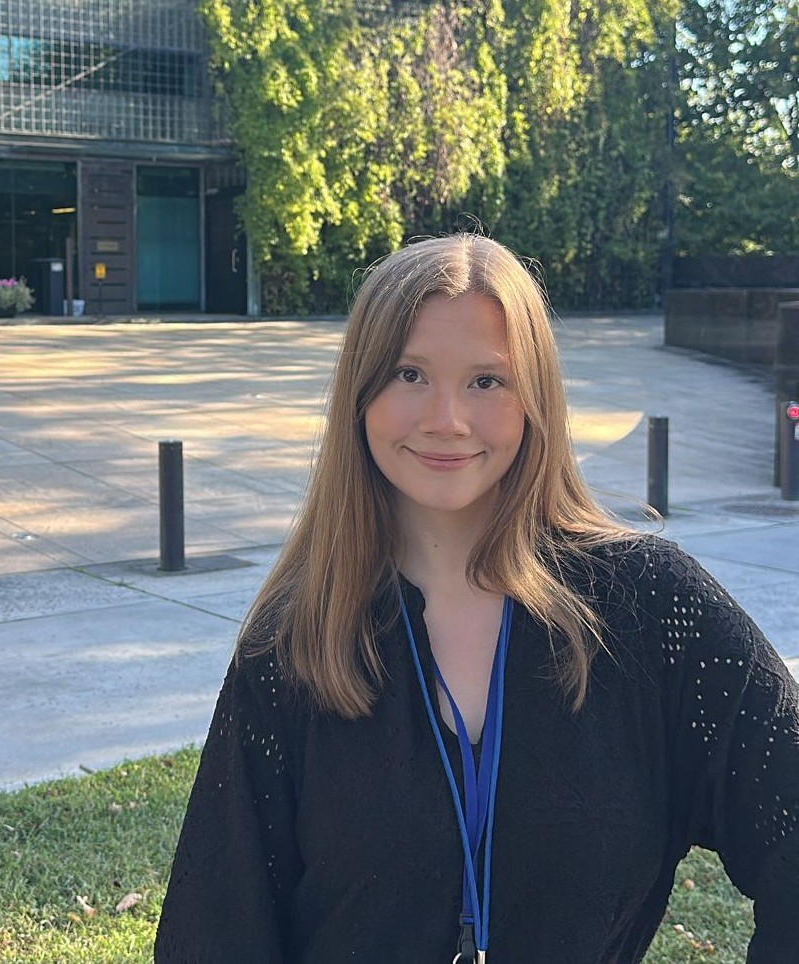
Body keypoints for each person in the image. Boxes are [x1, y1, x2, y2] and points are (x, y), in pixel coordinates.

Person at [154, 234, 799, 963]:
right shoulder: (296, 638)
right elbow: (216, 926)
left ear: (535, 399)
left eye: (486, 381)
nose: (446, 419)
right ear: (360, 394)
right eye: (409, 374)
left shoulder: (649, 607)